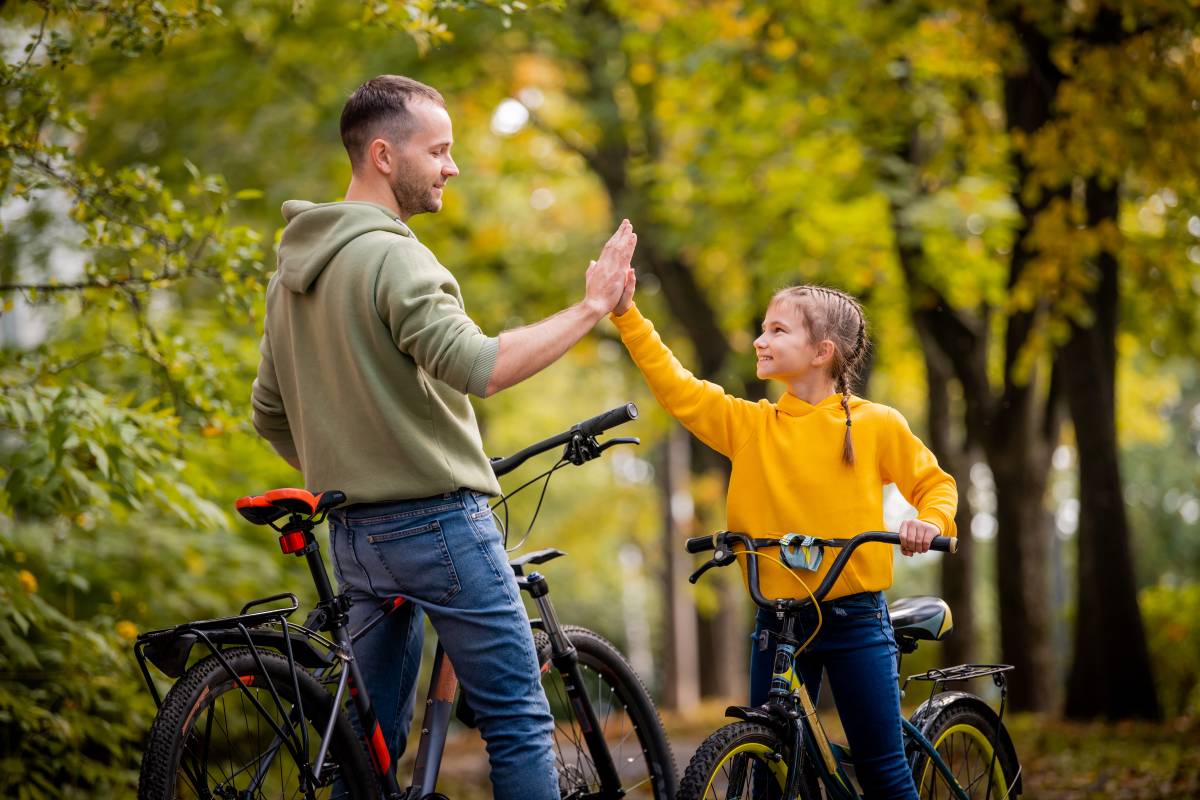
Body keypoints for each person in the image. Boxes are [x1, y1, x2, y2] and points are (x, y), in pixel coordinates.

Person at [251, 74, 636, 800]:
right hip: (438, 527)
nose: (452, 166)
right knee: (518, 722)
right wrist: (592, 307)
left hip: (355, 537)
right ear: (384, 156)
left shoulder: (290, 278)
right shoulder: (394, 257)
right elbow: (480, 368)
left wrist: (353, 463)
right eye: (440, 150)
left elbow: (269, 412)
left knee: (371, 750)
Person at [610, 277, 956, 799]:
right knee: (772, 764)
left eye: (777, 329)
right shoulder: (752, 425)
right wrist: (627, 314)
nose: (759, 339)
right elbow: (678, 388)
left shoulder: (875, 423)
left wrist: (929, 522)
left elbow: (934, 485)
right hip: (778, 617)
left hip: (855, 619)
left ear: (822, 352)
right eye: (761, 328)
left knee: (882, 771)